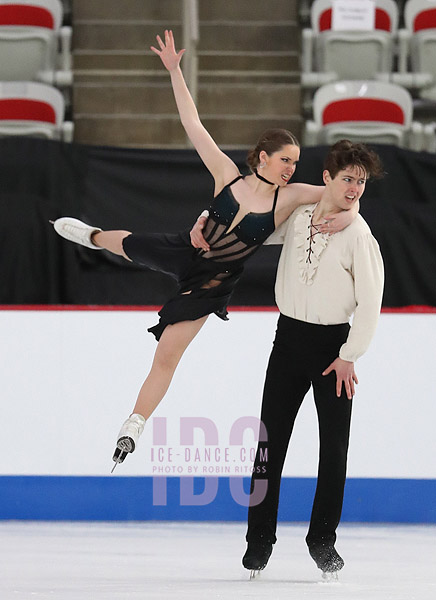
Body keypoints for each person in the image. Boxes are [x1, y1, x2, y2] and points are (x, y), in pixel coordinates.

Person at [50, 31, 357, 470]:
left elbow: (344, 192)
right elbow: (193, 125)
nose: (292, 168)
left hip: (214, 282)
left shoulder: (289, 199)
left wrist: (348, 214)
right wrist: (175, 71)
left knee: (167, 355)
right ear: (263, 158)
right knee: (123, 244)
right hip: (186, 250)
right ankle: (91, 235)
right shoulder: (227, 176)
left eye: (295, 161)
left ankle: (133, 424)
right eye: (285, 159)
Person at [232, 139, 384, 580]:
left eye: (361, 182)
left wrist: (350, 355)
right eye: (347, 179)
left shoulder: (359, 234)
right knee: (268, 444)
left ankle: (322, 540)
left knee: (333, 450)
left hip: (334, 349)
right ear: (327, 179)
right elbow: (258, 225)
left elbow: (371, 303)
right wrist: (214, 218)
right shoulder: (299, 218)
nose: (355, 188)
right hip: (288, 341)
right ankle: (258, 541)